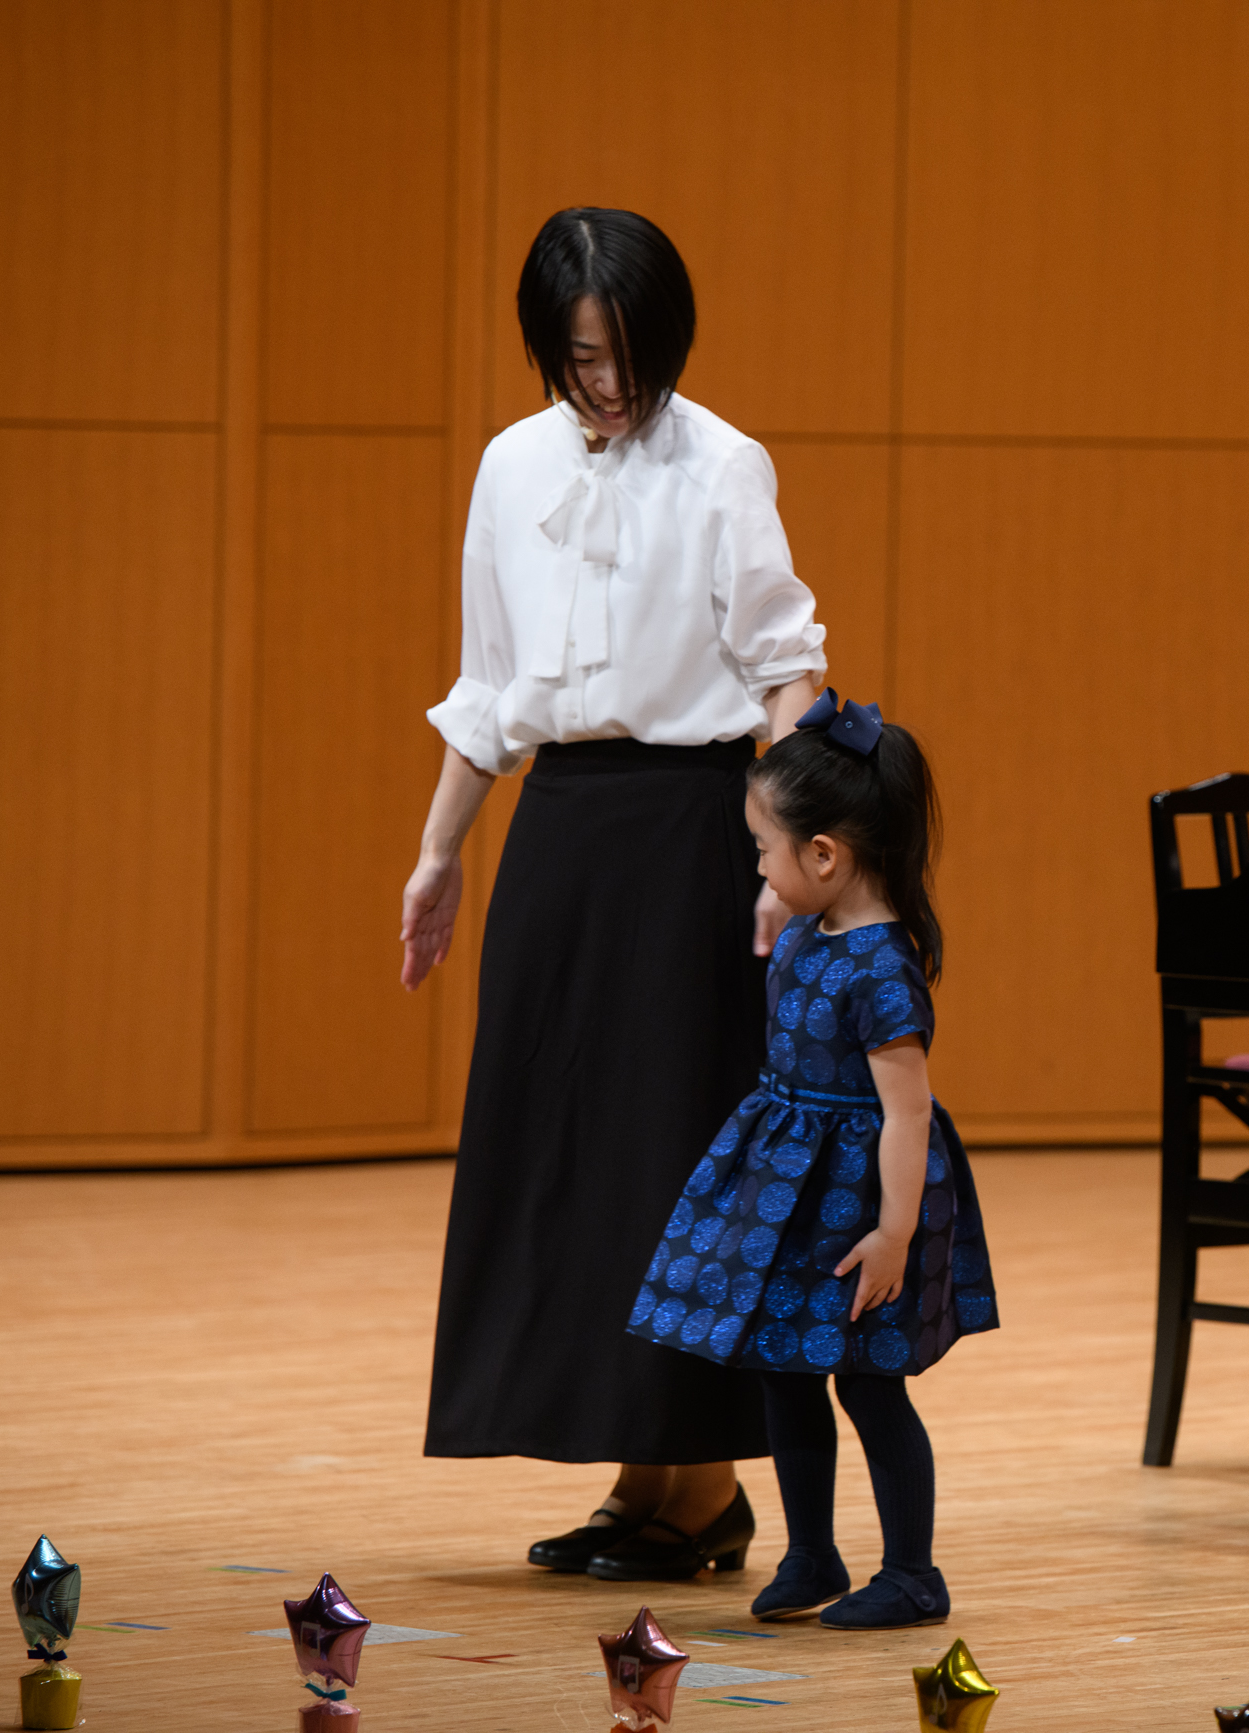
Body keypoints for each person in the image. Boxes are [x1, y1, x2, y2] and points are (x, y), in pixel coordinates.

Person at [402, 206, 827, 1579]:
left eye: (628, 356)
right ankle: (649, 1483)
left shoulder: (722, 464)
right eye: (582, 357)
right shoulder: (508, 466)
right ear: (547, 348)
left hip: (690, 836)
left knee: (668, 1156)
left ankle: (696, 1487)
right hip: (563, 834)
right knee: (564, 1162)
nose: (608, 384)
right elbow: (488, 687)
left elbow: (784, 672)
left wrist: (794, 861)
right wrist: (441, 850)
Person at [622, 692, 998, 1627]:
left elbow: (906, 1116)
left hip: (862, 1205)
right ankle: (812, 1552)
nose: (759, 863)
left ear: (824, 854)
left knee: (870, 1381)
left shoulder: (880, 966)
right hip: (789, 1188)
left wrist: (894, 1235)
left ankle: (913, 1572)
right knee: (785, 1368)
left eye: (765, 847)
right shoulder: (800, 933)